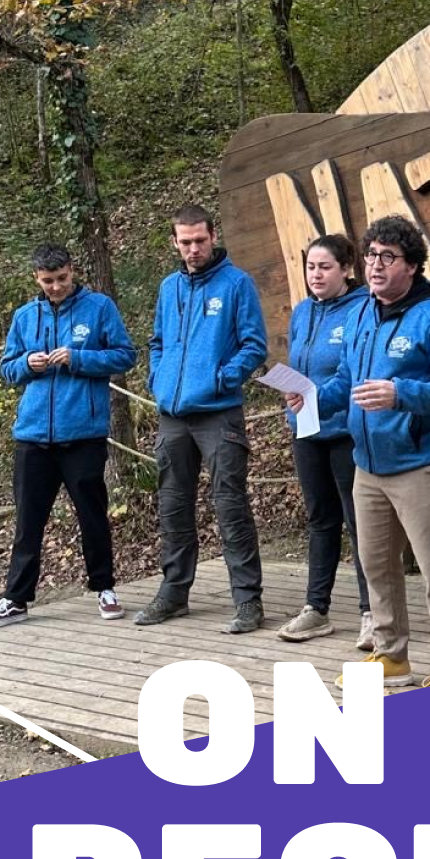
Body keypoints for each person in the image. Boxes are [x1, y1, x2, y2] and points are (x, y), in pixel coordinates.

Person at [287, 215, 430, 687]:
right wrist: (312, 398)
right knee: (376, 568)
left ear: (411, 266)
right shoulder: (361, 314)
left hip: (421, 463)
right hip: (367, 465)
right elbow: (347, 381)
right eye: (371, 255)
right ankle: (391, 656)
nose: (375, 265)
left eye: (387, 257)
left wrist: (401, 394)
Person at [0, 243, 136, 630]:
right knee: (28, 521)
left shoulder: (99, 308)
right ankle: (15, 599)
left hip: (83, 433)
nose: (56, 286)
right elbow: (7, 368)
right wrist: (26, 364)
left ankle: (105, 588)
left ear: (72, 270)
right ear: (36, 278)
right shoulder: (24, 316)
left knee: (92, 516)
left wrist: (78, 358)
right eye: (48, 281)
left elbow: (124, 355)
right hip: (33, 435)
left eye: (62, 278)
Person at [135, 203, 267, 633]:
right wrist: (158, 379)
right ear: (174, 243)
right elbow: (157, 341)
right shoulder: (168, 287)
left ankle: (247, 600)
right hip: (172, 416)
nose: (193, 249)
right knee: (173, 506)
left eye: (200, 240)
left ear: (213, 237)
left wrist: (221, 378)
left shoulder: (236, 284)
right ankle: (174, 594)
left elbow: (254, 345)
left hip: (218, 414)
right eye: (186, 242)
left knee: (230, 505)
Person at [278, 236, 373, 651]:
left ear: (347, 269)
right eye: (310, 267)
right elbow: (299, 364)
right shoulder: (302, 311)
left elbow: (356, 371)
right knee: (320, 519)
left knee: (360, 521)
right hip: (306, 429)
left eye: (325, 267)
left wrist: (319, 396)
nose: (315, 275)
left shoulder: (362, 309)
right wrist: (291, 390)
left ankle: (373, 612)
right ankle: (316, 608)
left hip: (345, 430)